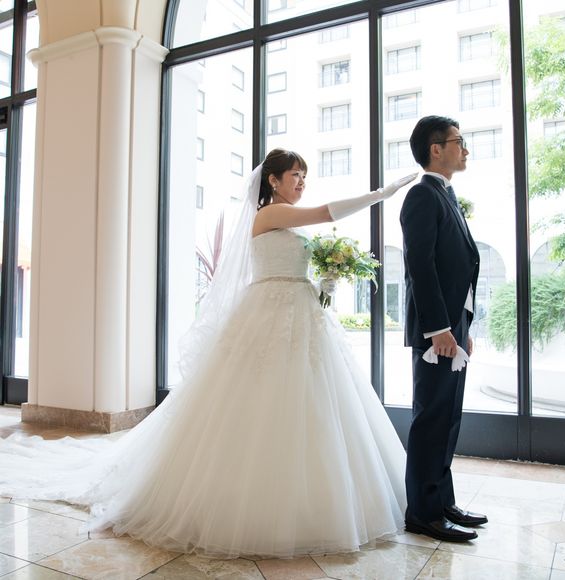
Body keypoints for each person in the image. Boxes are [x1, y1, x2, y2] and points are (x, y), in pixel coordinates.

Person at [0, 148, 417, 559]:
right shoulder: (269, 213)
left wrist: (325, 280)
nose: (302, 182)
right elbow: (326, 213)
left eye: (304, 176)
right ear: (273, 180)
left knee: (315, 398)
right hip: (270, 310)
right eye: (295, 175)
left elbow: (302, 253)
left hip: (304, 310)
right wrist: (381, 194)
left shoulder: (288, 219)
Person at [400, 116, 487, 543]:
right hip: (434, 332)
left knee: (449, 417)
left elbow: (460, 265)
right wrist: (438, 328)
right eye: (459, 141)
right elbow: (421, 267)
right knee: (431, 418)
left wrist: (461, 324)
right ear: (436, 149)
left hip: (452, 326)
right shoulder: (422, 195)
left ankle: (442, 502)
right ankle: (422, 513)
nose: (465, 149)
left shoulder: (446, 195)